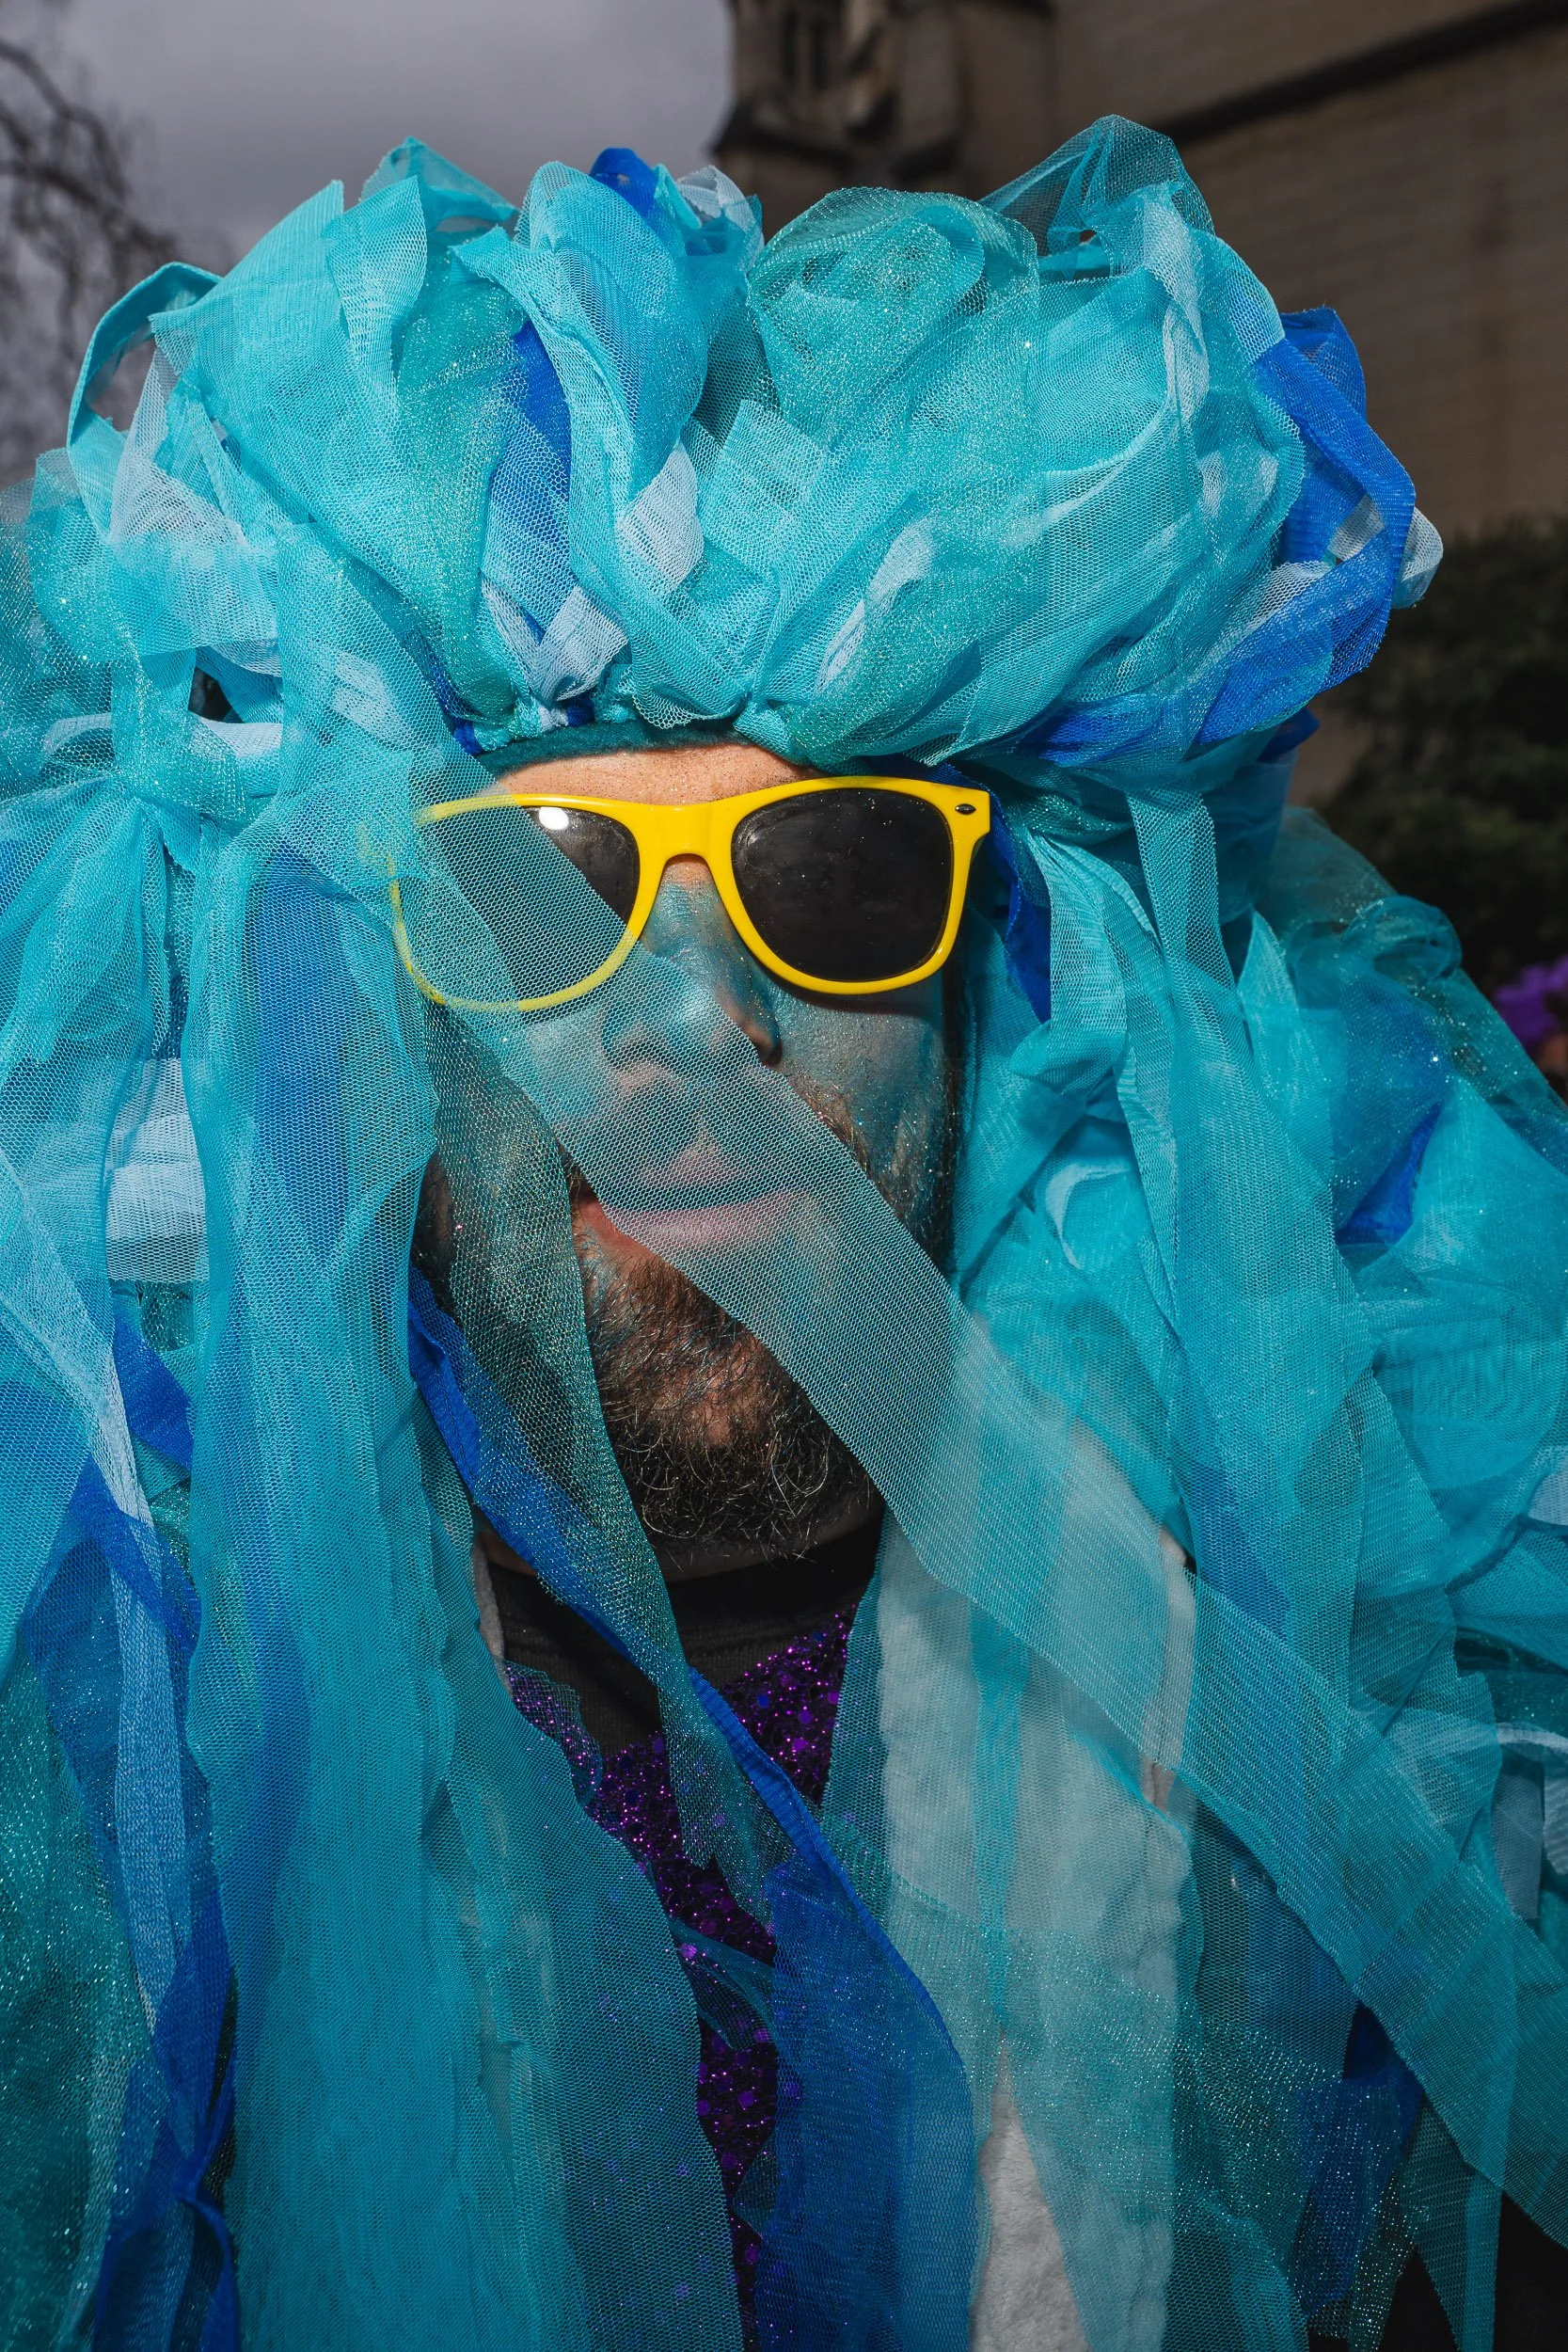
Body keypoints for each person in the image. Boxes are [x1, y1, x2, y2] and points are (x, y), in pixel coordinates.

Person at [3, 116, 1567, 2352]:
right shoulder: (124, 1770)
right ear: (366, 997)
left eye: (831, 873)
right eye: (531, 889)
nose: (697, 1016)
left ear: (983, 995)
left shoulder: (1361, 1751)